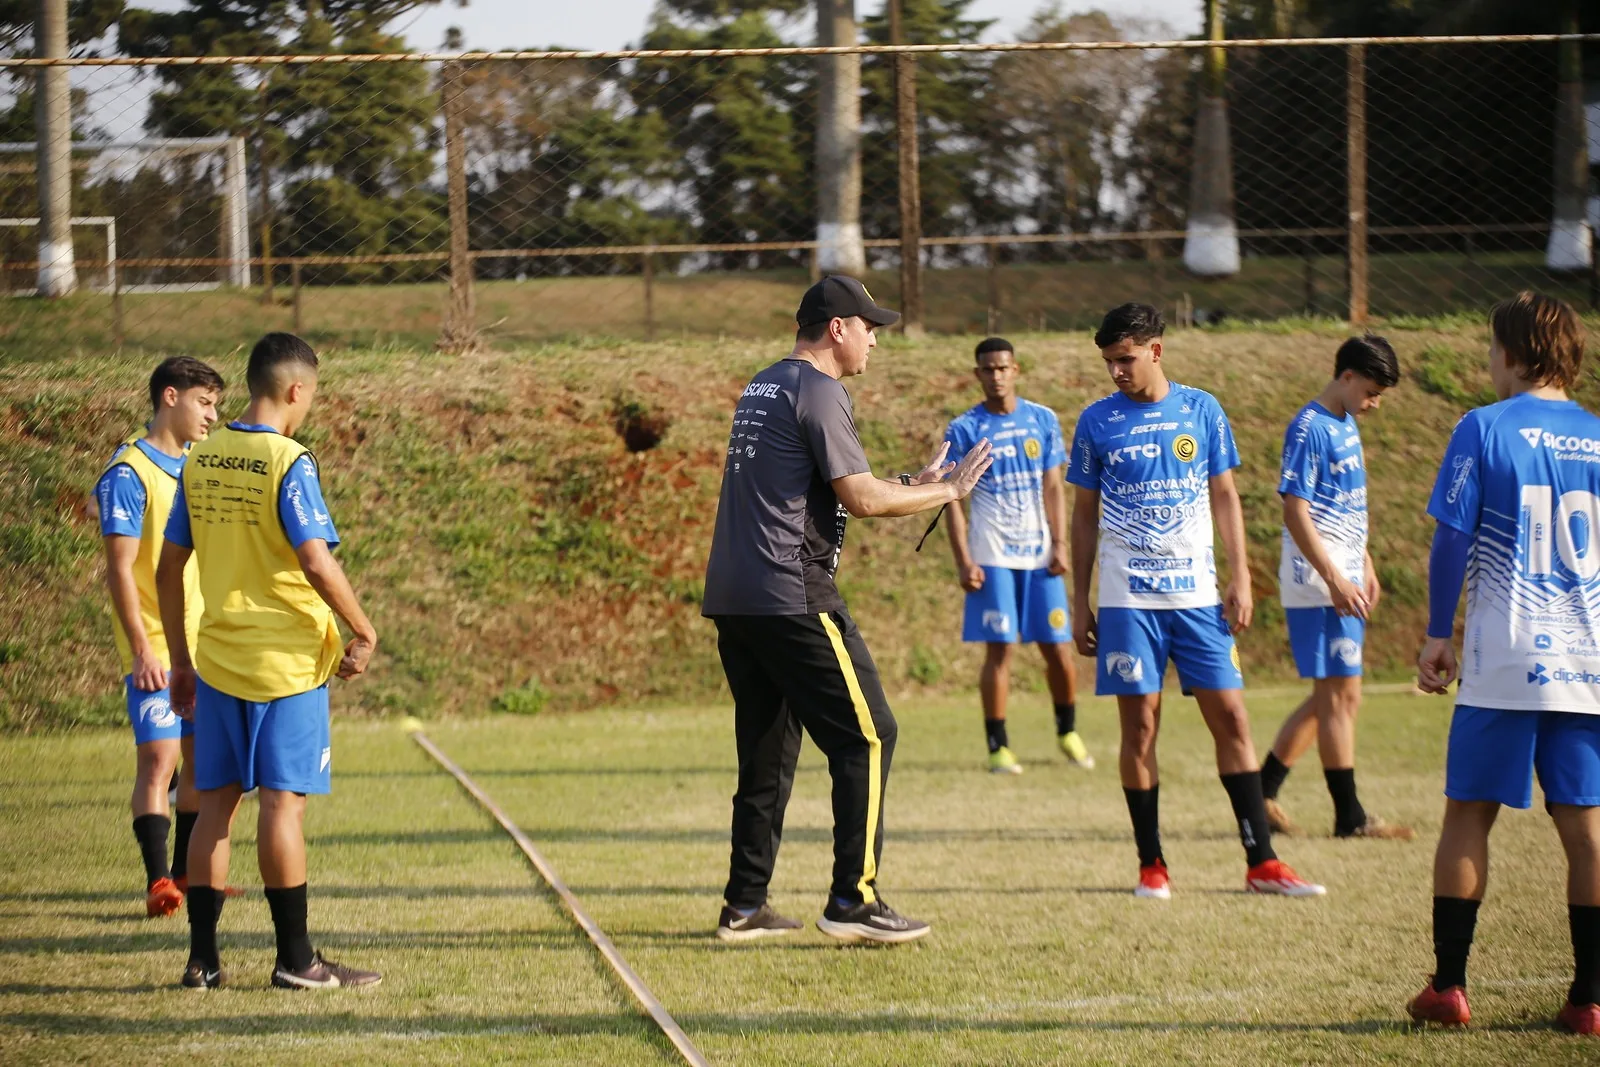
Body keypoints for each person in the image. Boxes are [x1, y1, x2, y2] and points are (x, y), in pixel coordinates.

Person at [703, 275, 992, 945]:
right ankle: (852, 900)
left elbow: (817, 489)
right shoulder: (821, 389)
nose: (873, 341)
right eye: (869, 328)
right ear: (838, 327)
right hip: (790, 591)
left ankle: (745, 904)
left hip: (737, 597)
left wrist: (909, 488)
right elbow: (860, 499)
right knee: (869, 733)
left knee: (770, 749)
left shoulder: (765, 383)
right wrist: (946, 490)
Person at [1069, 302, 1324, 900]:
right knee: (1140, 729)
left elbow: (1225, 496)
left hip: (1197, 597)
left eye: (1125, 359)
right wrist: (1080, 602)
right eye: (1108, 362)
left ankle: (1262, 862)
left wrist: (1241, 576)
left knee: (1232, 718)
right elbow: (1082, 518)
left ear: (1155, 351)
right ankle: (1151, 864)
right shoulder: (1096, 421)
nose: (1116, 372)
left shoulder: (1202, 410)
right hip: (1128, 600)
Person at [156, 332, 380, 990]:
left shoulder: (200, 458)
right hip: (288, 664)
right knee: (283, 807)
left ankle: (202, 960)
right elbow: (314, 557)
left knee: (213, 806)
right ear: (295, 390)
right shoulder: (289, 459)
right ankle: (296, 960)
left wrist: (180, 658)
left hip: (219, 659)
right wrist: (362, 627)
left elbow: (171, 568)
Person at [1409, 292, 1599, 1034]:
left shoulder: (1483, 427)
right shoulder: (1595, 434)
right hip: (1587, 660)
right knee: (1585, 829)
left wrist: (1436, 633)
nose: (1488, 361)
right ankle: (1588, 999)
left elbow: (1453, 537)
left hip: (1506, 655)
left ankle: (1449, 988)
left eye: (1492, 348)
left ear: (1517, 353)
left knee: (1468, 813)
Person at [1258, 335, 1413, 840]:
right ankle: (1349, 817)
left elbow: (1345, 505)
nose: (1374, 404)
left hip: (1344, 579)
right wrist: (1333, 577)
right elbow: (1295, 509)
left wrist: (1364, 561)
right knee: (1340, 697)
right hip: (1318, 584)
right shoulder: (1310, 428)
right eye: (1370, 392)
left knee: (1337, 697)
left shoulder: (1345, 422)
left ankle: (1261, 792)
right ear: (1346, 377)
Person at [96, 357, 223, 917]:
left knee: (200, 764)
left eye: (216, 405)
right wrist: (144, 649)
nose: (212, 416)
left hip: (202, 646)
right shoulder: (128, 473)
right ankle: (157, 882)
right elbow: (120, 568)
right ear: (170, 397)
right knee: (160, 759)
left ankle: (186, 873)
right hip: (155, 646)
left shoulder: (198, 467)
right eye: (204, 402)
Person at [943, 337, 1092, 774]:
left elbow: (1052, 487)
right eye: (987, 369)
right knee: (1001, 651)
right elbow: (950, 498)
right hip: (992, 556)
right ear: (978, 375)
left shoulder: (1042, 420)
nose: (996, 376)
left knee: (1059, 650)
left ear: (1016, 370)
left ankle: (1067, 732)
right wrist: (963, 559)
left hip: (1040, 555)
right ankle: (998, 746)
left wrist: (1060, 544)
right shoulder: (965, 429)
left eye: (1002, 368)